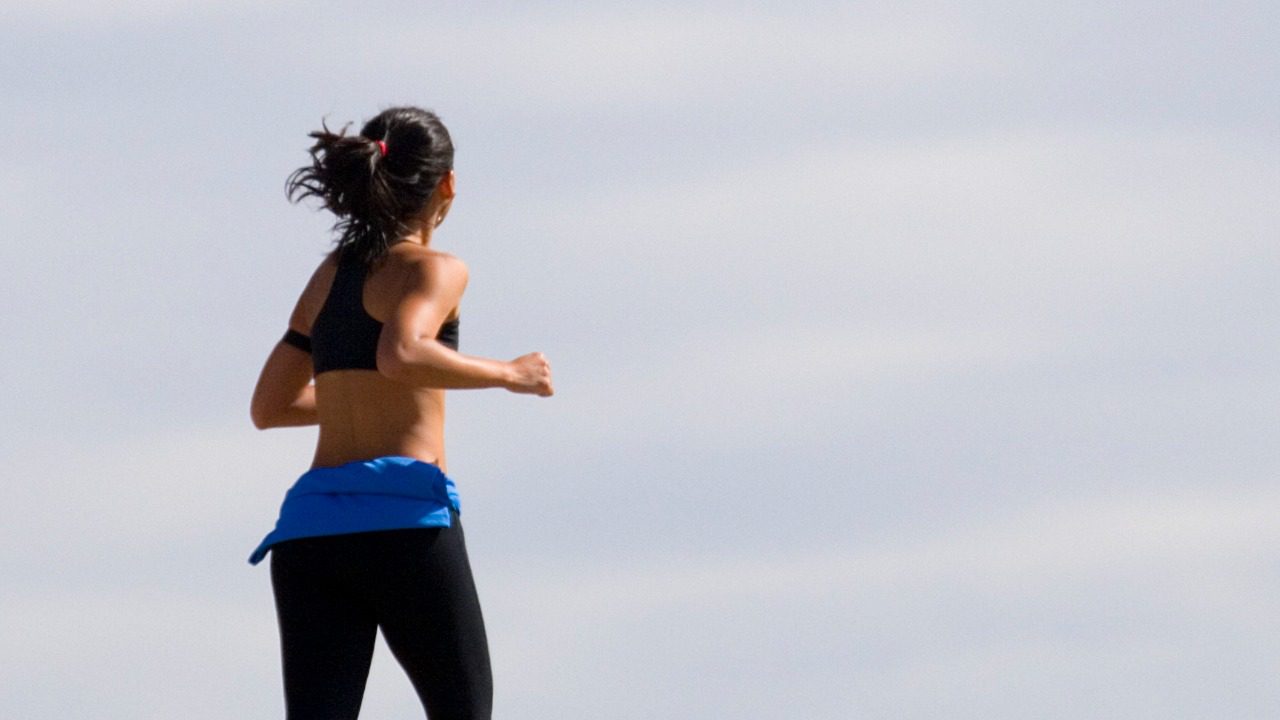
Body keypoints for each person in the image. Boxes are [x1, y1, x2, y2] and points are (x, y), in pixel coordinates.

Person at [248, 106, 553, 720]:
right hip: (405, 523)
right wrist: (509, 375)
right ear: (447, 185)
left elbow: (270, 406)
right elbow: (402, 354)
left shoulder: (329, 276)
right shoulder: (437, 269)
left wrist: (346, 400)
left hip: (311, 534)